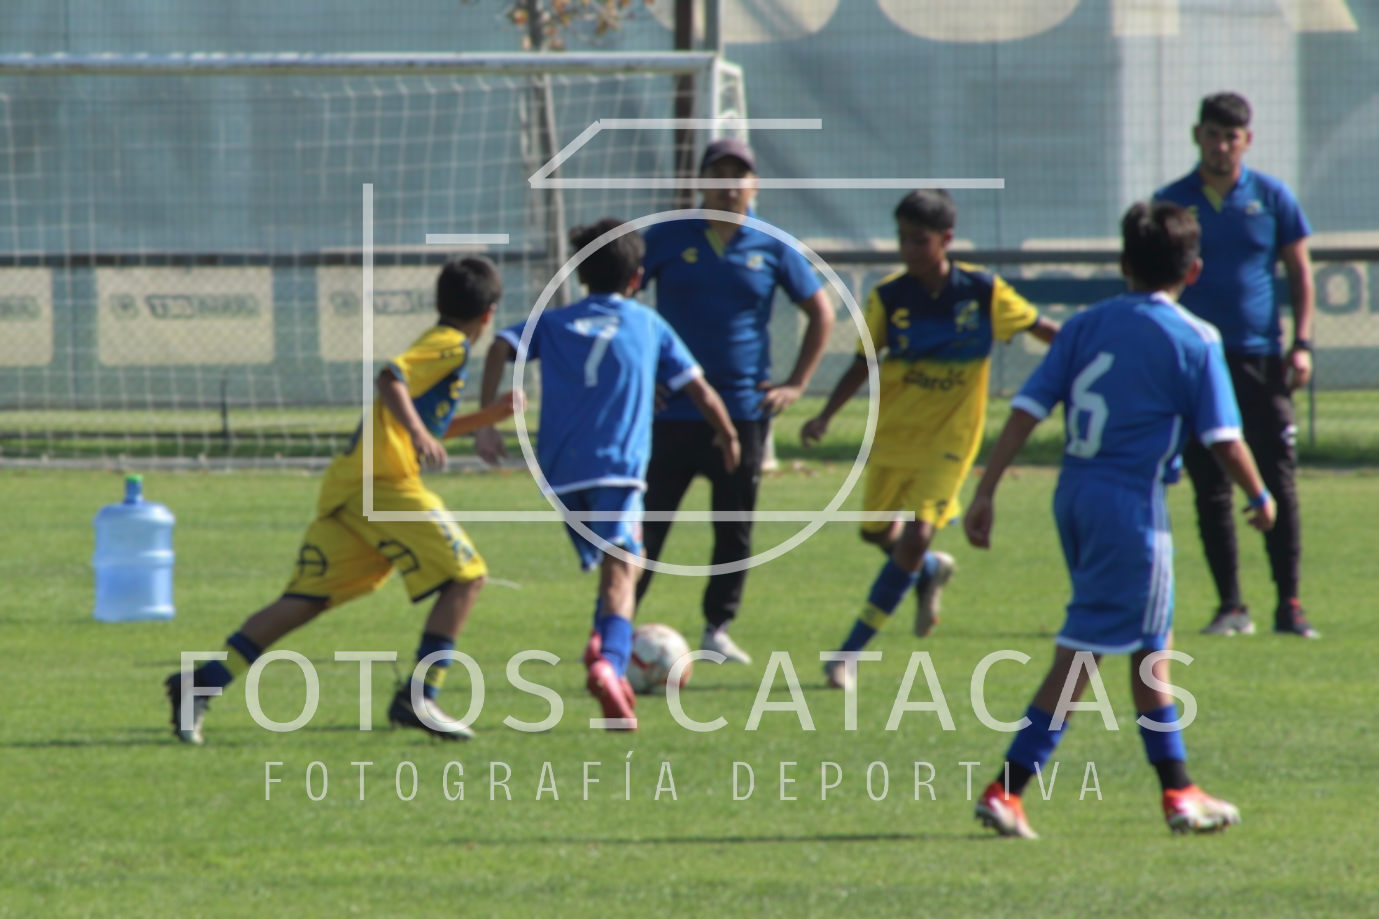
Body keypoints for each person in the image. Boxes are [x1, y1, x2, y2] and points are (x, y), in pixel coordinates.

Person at [964, 201, 1275, 838]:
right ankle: (1008, 787)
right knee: (1084, 654)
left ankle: (1179, 790)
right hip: (1131, 504)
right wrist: (1259, 493)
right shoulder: (1195, 337)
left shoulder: (1083, 326)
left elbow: (1028, 408)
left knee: (1147, 646)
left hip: (1075, 494)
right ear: (1194, 271)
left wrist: (987, 489)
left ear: (1123, 263)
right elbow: (1222, 437)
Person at [166, 257, 518, 744]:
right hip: (381, 484)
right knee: (467, 577)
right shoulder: (450, 344)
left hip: (352, 489)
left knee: (305, 600)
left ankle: (201, 683)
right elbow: (390, 378)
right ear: (489, 314)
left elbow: (425, 422)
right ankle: (421, 697)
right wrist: (419, 435)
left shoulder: (442, 346)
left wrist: (486, 417)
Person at [477, 218, 738, 729]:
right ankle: (611, 667)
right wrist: (728, 434)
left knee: (623, 561)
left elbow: (499, 347)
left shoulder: (554, 322)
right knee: (623, 567)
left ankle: (601, 638)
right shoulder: (649, 324)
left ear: (579, 276)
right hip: (617, 469)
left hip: (559, 475)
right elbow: (701, 391)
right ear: (637, 278)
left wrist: (487, 421)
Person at [801, 190, 1057, 686]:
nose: (909, 250)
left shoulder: (982, 291)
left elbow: (1043, 329)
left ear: (946, 239)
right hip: (894, 434)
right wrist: (825, 415)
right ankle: (930, 569)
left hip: (951, 440)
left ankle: (848, 653)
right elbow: (863, 360)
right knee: (876, 533)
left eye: (919, 240)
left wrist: (1092, 351)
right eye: (902, 239)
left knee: (917, 533)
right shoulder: (889, 295)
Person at [634, 138, 836, 664]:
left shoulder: (773, 244)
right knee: (648, 524)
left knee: (734, 528)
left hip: (744, 411)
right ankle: (615, 624)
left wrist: (796, 383)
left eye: (738, 174)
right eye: (718, 173)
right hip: (671, 412)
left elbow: (822, 312)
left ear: (754, 185)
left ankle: (717, 628)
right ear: (700, 182)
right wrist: (642, 374)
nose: (728, 184)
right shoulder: (667, 236)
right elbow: (621, 301)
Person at [1154, 92, 1318, 639]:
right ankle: (1231, 606)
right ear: (1196, 136)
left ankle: (1290, 604)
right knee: (1210, 484)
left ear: (1247, 140)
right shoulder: (1172, 202)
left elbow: (1299, 271)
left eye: (1232, 137)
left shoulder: (1272, 197)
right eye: (1213, 135)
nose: (1222, 146)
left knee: (1278, 479)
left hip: (1259, 358)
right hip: (1195, 360)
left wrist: (1302, 343)